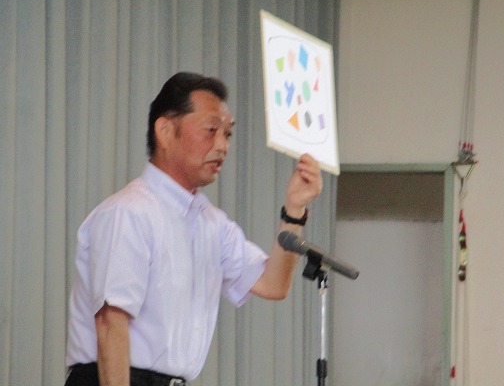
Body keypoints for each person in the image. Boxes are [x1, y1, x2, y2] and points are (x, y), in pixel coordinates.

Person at [65, 72, 323, 386]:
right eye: (211, 130)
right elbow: (111, 324)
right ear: (164, 131)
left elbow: (273, 284)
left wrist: (294, 210)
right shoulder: (129, 212)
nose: (222, 146)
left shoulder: (212, 223)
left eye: (228, 134)